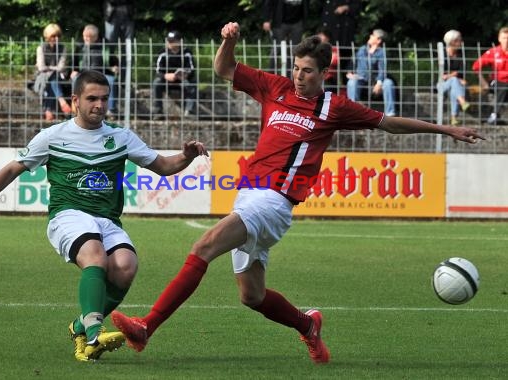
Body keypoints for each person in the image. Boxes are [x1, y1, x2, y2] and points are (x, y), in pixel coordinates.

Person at [110, 22, 483, 365]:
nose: (299, 77)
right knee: (252, 296)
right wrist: (228, 41)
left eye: (307, 71)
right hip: (248, 195)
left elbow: (389, 124)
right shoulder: (276, 88)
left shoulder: (335, 106)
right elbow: (224, 69)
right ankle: (308, 325)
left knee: (204, 246)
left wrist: (446, 130)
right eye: (296, 68)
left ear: (324, 73)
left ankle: (146, 328)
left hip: (275, 202)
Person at [0, 70, 208, 362]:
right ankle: (93, 333)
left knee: (125, 267)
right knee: (95, 255)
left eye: (104, 98)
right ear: (75, 100)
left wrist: (187, 156)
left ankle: (80, 326)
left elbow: (163, 165)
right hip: (68, 215)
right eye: (91, 99)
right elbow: (13, 168)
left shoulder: (120, 137)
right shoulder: (53, 136)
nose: (99, 105)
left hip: (107, 220)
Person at [71, 24, 119, 117]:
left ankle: (111, 110)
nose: (86, 39)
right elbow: (74, 61)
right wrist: (74, 70)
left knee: (111, 81)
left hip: (102, 74)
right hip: (84, 74)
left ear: (96, 37)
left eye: (89, 37)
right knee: (75, 80)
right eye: (84, 36)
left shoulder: (105, 46)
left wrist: (114, 67)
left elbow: (113, 60)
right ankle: (76, 108)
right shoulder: (80, 46)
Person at [346, 29, 396, 116]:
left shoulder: (381, 52)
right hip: (361, 78)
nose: (370, 36)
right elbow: (353, 61)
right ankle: (353, 112)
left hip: (375, 81)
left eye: (373, 35)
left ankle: (390, 113)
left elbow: (382, 69)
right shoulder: (362, 49)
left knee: (389, 83)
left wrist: (379, 83)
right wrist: (349, 72)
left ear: (378, 40)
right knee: (351, 83)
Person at [151, 30, 197, 119]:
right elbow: (156, 70)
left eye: (173, 41)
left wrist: (186, 75)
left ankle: (189, 111)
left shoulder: (187, 52)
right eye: (169, 41)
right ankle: (158, 111)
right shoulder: (162, 52)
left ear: (180, 41)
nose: (170, 43)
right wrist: (165, 76)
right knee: (157, 83)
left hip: (182, 81)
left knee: (192, 83)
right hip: (166, 81)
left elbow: (192, 69)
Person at [35, 23, 72, 121]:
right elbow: (41, 67)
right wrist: (53, 68)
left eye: (58, 36)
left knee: (52, 78)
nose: (56, 38)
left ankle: (48, 111)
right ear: (47, 36)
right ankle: (61, 101)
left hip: (58, 75)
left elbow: (61, 67)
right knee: (50, 79)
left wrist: (50, 68)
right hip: (43, 76)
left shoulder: (63, 48)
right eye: (53, 36)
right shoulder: (41, 48)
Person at [262, 0, 309, 75]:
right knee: (277, 48)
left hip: (298, 23)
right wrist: (266, 20)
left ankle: (291, 75)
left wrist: (305, 21)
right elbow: (268, 3)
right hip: (280, 22)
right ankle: (270, 75)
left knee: (295, 50)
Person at [472, 26, 508, 125]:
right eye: (504, 38)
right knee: (505, 86)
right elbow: (476, 65)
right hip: (497, 82)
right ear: (499, 39)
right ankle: (494, 115)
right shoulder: (494, 52)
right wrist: (482, 81)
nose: (506, 41)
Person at [318, 0, 361, 81]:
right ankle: (329, 90)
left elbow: (357, 7)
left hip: (345, 36)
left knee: (346, 69)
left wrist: (346, 7)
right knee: (328, 70)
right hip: (329, 35)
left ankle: (347, 89)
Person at [438, 30, 470, 126]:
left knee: (454, 90)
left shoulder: (461, 55)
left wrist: (452, 76)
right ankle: (462, 101)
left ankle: (454, 118)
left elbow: (461, 72)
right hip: (442, 84)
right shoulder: (442, 54)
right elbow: (442, 76)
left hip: (456, 85)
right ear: (452, 41)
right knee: (454, 80)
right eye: (458, 40)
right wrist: (454, 75)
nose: (461, 42)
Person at [316, 27, 340, 92]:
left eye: (322, 35)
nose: (320, 37)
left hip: (329, 78)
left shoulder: (334, 49)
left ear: (328, 38)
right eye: (319, 35)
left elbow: (335, 61)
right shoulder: (313, 49)